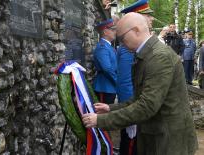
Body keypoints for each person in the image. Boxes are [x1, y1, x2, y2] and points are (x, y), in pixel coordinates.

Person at [82, 13, 198, 155]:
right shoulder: (147, 53)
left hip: (168, 142)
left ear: (136, 30)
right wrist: (110, 108)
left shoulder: (158, 57)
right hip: (158, 136)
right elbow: (139, 98)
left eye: (122, 38)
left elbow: (147, 106)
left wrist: (101, 120)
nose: (121, 43)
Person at [116, 0, 154, 154]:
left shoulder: (142, 43)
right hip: (134, 109)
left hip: (139, 106)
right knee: (131, 146)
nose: (151, 19)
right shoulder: (129, 47)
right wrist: (130, 114)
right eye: (147, 15)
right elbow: (125, 81)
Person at [93, 19, 117, 104]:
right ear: (105, 32)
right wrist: (117, 81)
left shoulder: (108, 46)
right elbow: (107, 68)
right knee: (103, 114)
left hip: (109, 87)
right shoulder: (102, 47)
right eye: (113, 30)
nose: (115, 32)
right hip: (104, 87)